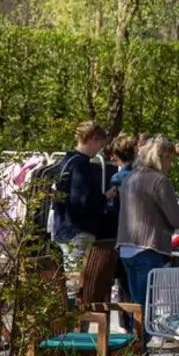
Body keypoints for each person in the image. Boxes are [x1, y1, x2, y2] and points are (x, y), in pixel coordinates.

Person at [117, 137, 179, 318]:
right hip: (148, 247)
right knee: (147, 309)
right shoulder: (159, 181)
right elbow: (176, 218)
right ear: (161, 157)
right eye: (170, 159)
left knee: (136, 306)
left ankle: (134, 344)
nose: (171, 164)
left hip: (126, 247)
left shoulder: (130, 177)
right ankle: (141, 345)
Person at [52, 122, 113, 287]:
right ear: (92, 139)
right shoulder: (80, 165)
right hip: (77, 230)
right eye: (100, 144)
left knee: (71, 278)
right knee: (77, 283)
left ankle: (73, 309)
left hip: (61, 226)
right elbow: (81, 201)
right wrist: (104, 197)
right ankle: (75, 312)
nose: (99, 149)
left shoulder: (65, 160)